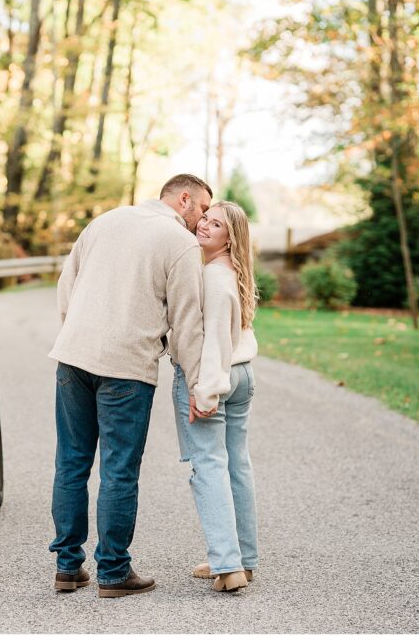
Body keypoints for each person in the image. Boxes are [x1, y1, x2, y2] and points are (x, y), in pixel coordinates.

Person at [48, 174, 214, 598]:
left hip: (73, 357)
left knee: (71, 463)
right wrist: (197, 384)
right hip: (127, 364)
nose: (203, 220)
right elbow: (187, 322)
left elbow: (66, 289)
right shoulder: (179, 243)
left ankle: (67, 568)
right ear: (183, 199)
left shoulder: (104, 221)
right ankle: (114, 573)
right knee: (119, 470)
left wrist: (79, 335)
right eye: (203, 209)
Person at [171, 200, 260, 593]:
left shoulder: (215, 278)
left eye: (216, 224)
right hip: (241, 374)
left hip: (219, 377)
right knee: (235, 466)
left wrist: (203, 392)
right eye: (205, 219)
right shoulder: (229, 272)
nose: (204, 225)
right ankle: (244, 559)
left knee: (208, 467)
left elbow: (215, 343)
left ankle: (228, 565)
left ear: (230, 238)